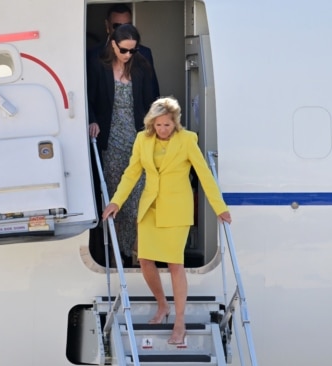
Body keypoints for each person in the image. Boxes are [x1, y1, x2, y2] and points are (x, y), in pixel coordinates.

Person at [102, 97, 232, 345]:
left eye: (168, 125)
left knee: (175, 265)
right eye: (159, 125)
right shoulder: (143, 139)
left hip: (176, 210)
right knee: (145, 260)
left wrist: (219, 207)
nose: (163, 129)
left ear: (175, 124)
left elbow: (204, 174)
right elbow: (131, 173)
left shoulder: (187, 140)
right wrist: (116, 201)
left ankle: (179, 321)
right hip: (150, 208)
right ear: (152, 123)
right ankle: (162, 305)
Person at [87, 23, 157, 266]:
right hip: (111, 136)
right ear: (113, 44)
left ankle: (138, 253)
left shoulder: (142, 63)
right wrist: (92, 120)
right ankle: (118, 255)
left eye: (132, 51)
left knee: (140, 197)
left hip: (139, 136)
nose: (128, 55)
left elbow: (153, 99)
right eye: (124, 50)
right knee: (117, 196)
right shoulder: (97, 63)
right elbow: (88, 98)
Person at [87, 3, 160, 98]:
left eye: (127, 26)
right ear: (107, 25)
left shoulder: (144, 53)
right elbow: (89, 99)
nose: (122, 31)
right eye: (117, 26)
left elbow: (152, 93)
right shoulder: (93, 55)